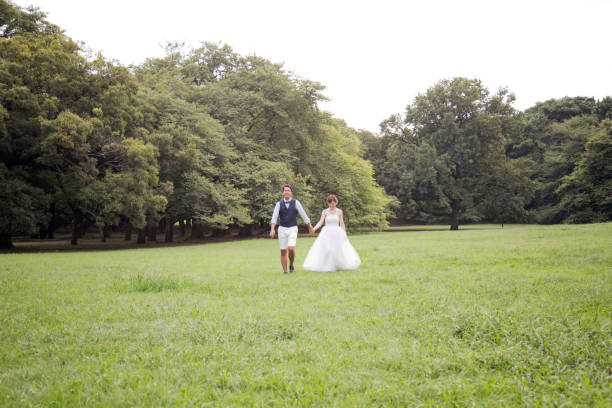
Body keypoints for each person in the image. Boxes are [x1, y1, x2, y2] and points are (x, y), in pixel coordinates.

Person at [302, 195, 361, 272]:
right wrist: (314, 228)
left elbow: (342, 223)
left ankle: (337, 265)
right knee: (328, 249)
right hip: (327, 233)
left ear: (336, 202)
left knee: (337, 249)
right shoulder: (325, 211)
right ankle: (327, 266)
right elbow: (320, 222)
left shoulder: (339, 212)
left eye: (333, 203)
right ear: (328, 203)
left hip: (337, 232)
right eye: (330, 203)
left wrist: (344, 233)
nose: (332, 205)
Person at [270, 184, 315, 274]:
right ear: (283, 192)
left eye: (288, 190)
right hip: (282, 228)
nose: (287, 192)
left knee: (291, 248)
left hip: (293, 228)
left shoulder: (296, 203)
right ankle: (285, 271)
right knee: (283, 251)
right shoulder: (279, 204)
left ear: (291, 193)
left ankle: (291, 264)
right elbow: (274, 217)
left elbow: (303, 214)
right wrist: (272, 229)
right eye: (285, 190)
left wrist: (310, 226)